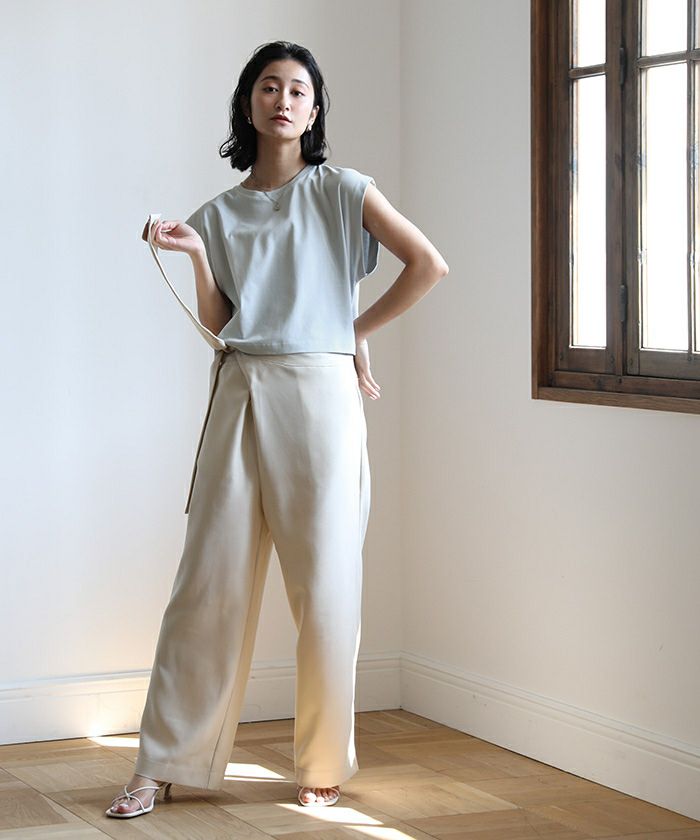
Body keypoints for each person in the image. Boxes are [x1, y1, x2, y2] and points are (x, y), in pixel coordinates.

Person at [106, 39, 448, 820]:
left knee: (326, 585)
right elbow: (220, 323)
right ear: (248, 103)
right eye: (269, 86)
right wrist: (197, 256)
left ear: (314, 108)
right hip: (240, 389)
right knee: (205, 586)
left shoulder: (345, 190)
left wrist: (350, 330)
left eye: (297, 89)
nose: (283, 100)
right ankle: (162, 763)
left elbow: (427, 264)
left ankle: (322, 764)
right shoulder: (217, 214)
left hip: (320, 397)